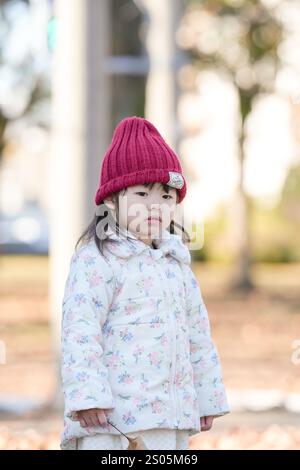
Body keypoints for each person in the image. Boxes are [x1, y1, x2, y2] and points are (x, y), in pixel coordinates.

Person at [60, 116, 230, 450]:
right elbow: (80, 331)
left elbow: (197, 334)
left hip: (169, 418)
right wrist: (88, 396)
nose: (156, 206)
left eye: (167, 197)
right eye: (141, 194)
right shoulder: (98, 261)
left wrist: (206, 396)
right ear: (112, 200)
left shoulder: (176, 264)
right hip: (112, 423)